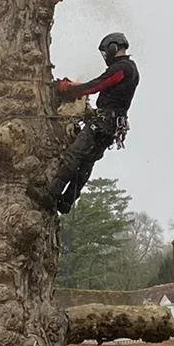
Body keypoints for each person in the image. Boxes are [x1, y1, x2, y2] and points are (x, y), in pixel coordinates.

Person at [37, 32, 139, 214]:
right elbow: (102, 86)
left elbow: (96, 85)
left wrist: (69, 89)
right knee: (86, 163)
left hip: (103, 122)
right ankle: (66, 202)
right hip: (113, 125)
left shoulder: (122, 68)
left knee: (74, 155)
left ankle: (51, 193)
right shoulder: (131, 68)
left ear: (113, 48)